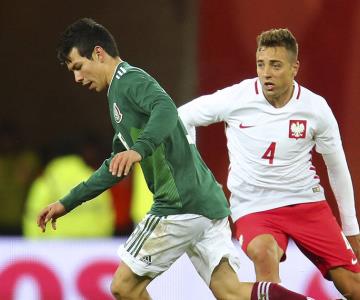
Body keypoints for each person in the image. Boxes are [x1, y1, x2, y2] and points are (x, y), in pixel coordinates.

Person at [36, 19, 313, 300]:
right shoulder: (118, 97)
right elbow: (115, 166)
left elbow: (166, 109)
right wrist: (66, 203)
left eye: (78, 67)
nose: (77, 78)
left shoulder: (129, 81)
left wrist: (139, 149)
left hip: (178, 206)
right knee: (230, 292)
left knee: (123, 287)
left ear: (98, 53)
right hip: (206, 202)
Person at [179, 28, 360, 299]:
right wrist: (196, 171)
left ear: (294, 67)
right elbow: (182, 116)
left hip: (306, 204)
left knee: (352, 286)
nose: (266, 73)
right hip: (254, 207)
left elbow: (337, 168)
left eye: (276, 65)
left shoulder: (315, 109)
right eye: (261, 64)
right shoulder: (237, 98)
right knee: (264, 256)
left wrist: (351, 229)